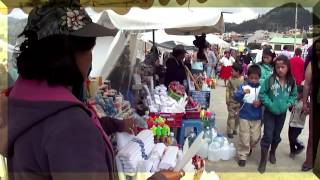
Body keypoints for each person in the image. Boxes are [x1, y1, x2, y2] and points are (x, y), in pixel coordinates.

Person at [0, 2, 184, 180]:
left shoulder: (24, 104)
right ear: (66, 55)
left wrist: (116, 124)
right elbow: (72, 137)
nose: (91, 59)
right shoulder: (70, 126)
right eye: (89, 50)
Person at [258, 55, 297, 173]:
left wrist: (288, 104)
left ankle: (272, 152)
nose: (280, 69)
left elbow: (293, 95)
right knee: (268, 135)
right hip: (269, 113)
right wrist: (269, 104)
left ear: (288, 68)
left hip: (282, 114)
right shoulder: (269, 79)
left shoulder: (291, 81)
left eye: (283, 67)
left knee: (276, 136)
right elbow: (262, 94)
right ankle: (263, 159)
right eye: (277, 67)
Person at [234, 64, 262, 167]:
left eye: (256, 78)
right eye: (251, 78)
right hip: (244, 116)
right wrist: (242, 93)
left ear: (259, 78)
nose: (253, 80)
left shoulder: (261, 88)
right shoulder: (244, 86)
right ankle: (242, 156)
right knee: (244, 136)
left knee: (255, 137)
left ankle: (249, 147)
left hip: (257, 117)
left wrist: (260, 102)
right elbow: (236, 97)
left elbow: (265, 99)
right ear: (247, 77)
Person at [301, 38, 320, 172]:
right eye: (317, 49)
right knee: (313, 134)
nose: (319, 52)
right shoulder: (312, 64)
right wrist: (305, 101)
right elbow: (307, 84)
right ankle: (309, 161)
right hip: (316, 104)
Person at [225, 63, 244, 138]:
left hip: (240, 102)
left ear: (238, 72)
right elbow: (227, 90)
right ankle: (229, 131)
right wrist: (227, 99)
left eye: (232, 71)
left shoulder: (243, 80)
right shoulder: (230, 79)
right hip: (232, 101)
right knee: (231, 116)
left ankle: (235, 128)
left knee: (237, 117)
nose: (231, 72)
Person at [288, 85, 307, 159]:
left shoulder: (305, 103)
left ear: (302, 94)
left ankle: (300, 146)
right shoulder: (294, 100)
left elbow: (306, 112)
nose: (296, 95)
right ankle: (292, 151)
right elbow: (290, 110)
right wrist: (290, 106)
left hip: (299, 124)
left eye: (297, 94)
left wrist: (306, 110)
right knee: (290, 138)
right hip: (291, 122)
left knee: (293, 138)